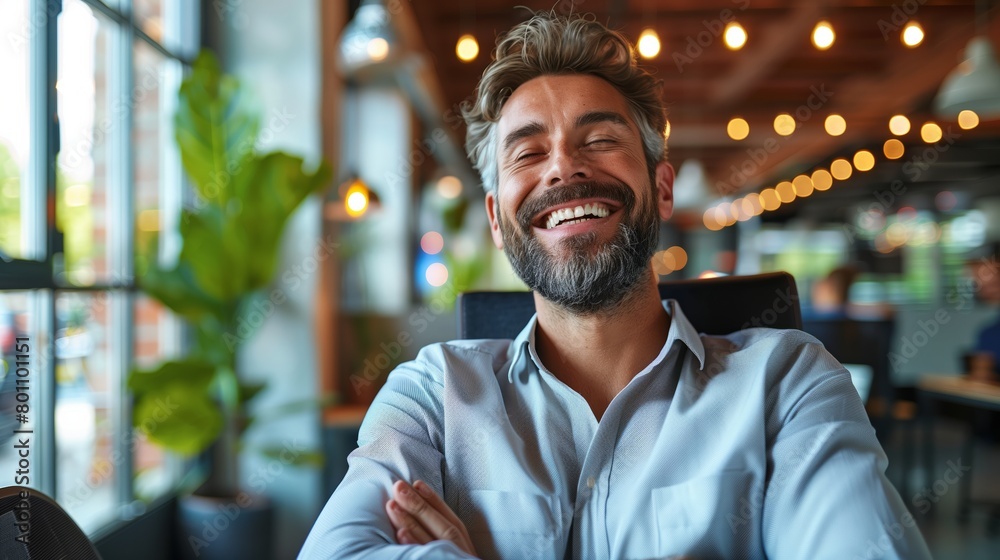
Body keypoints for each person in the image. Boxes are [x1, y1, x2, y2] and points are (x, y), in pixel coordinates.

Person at [300, 12, 930, 560]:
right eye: (526, 153)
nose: (565, 167)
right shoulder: (431, 396)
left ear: (660, 188)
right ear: (496, 219)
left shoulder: (787, 384)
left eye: (600, 140)